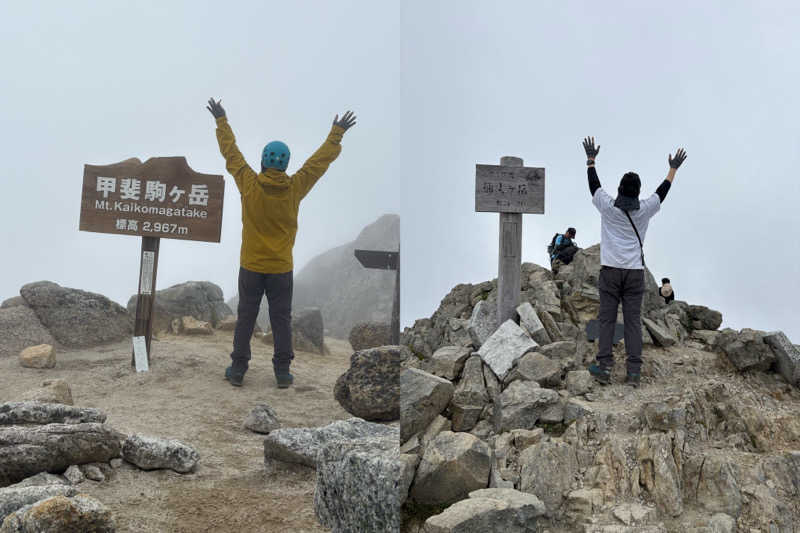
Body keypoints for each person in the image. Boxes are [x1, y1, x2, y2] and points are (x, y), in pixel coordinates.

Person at [206, 98, 356, 388]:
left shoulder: (248, 183)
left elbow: (231, 153)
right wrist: (336, 133)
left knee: (246, 317)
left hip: (250, 266)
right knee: (281, 319)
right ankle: (282, 373)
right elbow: (317, 163)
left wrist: (221, 120)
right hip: (281, 269)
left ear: (263, 160)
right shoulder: (295, 187)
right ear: (285, 164)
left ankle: (237, 369)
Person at [582, 136, 686, 387]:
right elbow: (662, 192)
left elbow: (594, 186)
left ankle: (604, 367)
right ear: (638, 192)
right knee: (632, 322)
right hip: (634, 274)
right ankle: (634, 373)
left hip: (610, 272)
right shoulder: (645, 209)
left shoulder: (607, 207)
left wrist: (591, 160)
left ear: (618, 190)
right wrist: (673, 169)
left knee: (607, 320)